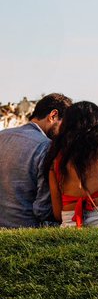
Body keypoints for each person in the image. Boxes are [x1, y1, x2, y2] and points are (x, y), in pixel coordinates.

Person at [0, 93, 72, 228]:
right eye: (65, 125)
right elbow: (43, 210)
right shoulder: (46, 147)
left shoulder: (2, 136)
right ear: (53, 116)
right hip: (25, 225)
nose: (64, 132)